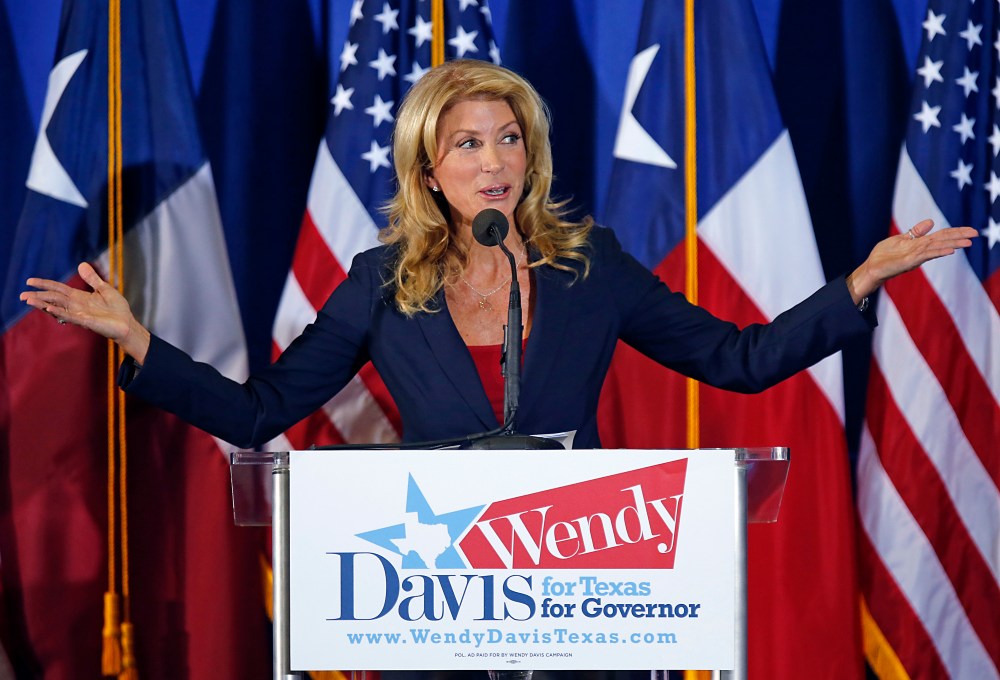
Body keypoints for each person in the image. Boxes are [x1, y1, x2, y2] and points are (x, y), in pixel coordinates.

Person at [20, 59, 977, 450]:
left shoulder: (590, 266)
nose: (495, 161)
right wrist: (138, 340)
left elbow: (740, 359)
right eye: (470, 144)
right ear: (430, 171)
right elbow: (259, 410)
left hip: (579, 585)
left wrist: (859, 282)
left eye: (510, 139)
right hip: (431, 596)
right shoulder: (383, 284)